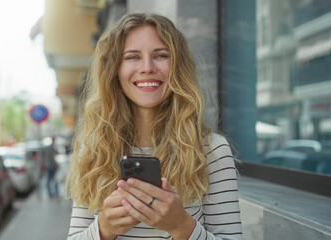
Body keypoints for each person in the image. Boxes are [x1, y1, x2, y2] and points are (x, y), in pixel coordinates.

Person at [66, 13, 242, 239]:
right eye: (132, 57)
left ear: (178, 66)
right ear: (114, 70)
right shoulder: (93, 150)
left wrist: (181, 226)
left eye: (160, 55)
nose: (147, 67)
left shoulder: (213, 150)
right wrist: (104, 229)